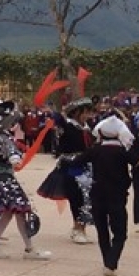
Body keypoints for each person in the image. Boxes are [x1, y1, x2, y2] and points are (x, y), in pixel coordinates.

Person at [0, 101, 52, 261]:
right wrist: (16, 159)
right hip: (4, 178)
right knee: (20, 210)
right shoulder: (3, 138)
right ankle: (29, 249)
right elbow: (13, 157)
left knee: (9, 213)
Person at [65, 114, 137, 276]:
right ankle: (111, 263)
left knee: (102, 231)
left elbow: (75, 163)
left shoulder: (95, 151)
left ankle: (107, 262)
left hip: (97, 194)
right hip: (117, 196)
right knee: (120, 233)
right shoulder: (122, 152)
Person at [39, 98, 96, 245]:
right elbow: (57, 119)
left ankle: (80, 227)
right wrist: (55, 111)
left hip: (87, 164)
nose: (88, 115)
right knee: (77, 196)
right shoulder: (67, 126)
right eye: (85, 112)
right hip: (71, 165)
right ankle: (78, 228)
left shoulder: (87, 128)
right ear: (76, 112)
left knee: (88, 197)